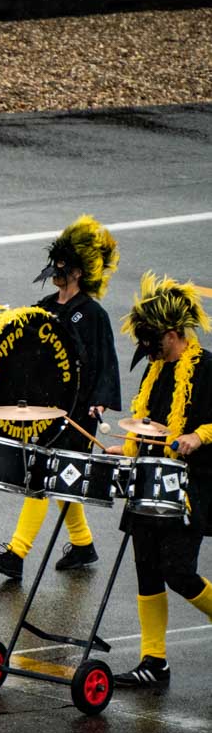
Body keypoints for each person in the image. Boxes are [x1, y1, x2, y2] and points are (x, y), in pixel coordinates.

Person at [0, 215, 121, 580]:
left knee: (43, 476)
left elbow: (107, 360)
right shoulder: (46, 304)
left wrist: (101, 400)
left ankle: (16, 554)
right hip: (47, 407)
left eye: (61, 269)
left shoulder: (94, 314)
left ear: (76, 272)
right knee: (63, 478)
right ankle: (82, 545)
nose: (55, 274)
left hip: (80, 410)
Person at [106, 274, 212, 689]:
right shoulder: (155, 370)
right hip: (150, 479)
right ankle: (154, 661)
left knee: (179, 571)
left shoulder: (207, 368)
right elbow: (145, 424)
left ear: (173, 333)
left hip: (194, 482)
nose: (148, 351)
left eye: (154, 341)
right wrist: (128, 448)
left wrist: (199, 435)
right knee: (147, 570)